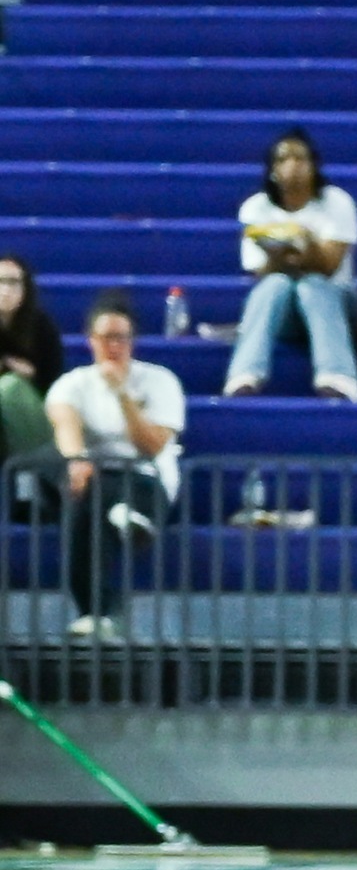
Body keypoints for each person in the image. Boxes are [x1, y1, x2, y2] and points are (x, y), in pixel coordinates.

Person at [44, 293, 184, 639]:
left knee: (101, 495)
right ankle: (125, 519)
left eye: (121, 337)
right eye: (106, 337)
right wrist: (76, 461)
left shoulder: (160, 381)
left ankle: (98, 610)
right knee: (86, 497)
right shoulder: (72, 384)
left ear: (132, 342)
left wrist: (122, 395)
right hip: (94, 475)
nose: (114, 346)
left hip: (145, 476)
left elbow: (151, 446)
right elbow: (66, 426)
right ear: (91, 340)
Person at [224, 128, 357, 401]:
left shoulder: (337, 202)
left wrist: (306, 242)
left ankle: (338, 376)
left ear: (314, 167)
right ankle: (244, 376)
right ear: (273, 170)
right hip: (284, 306)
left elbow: (329, 267)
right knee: (275, 285)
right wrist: (278, 254)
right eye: (284, 159)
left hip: (339, 302)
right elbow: (260, 273)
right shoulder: (256, 208)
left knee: (312, 284)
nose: (293, 166)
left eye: (301, 159)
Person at [0, 254, 65, 462]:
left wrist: (19, 371)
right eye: (0, 281)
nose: (5, 290)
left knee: (10, 388)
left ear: (25, 288)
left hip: (35, 415)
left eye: (13, 282)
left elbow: (54, 383)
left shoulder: (42, 327)